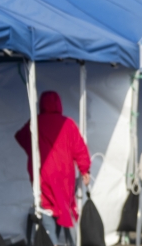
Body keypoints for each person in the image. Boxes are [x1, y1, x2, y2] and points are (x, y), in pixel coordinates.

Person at [14, 90, 90, 233]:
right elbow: (80, 148)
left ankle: (52, 242)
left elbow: (20, 136)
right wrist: (84, 169)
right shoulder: (68, 123)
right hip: (65, 173)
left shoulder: (35, 122)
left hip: (42, 172)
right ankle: (57, 239)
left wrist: (34, 149)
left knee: (46, 206)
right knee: (62, 206)